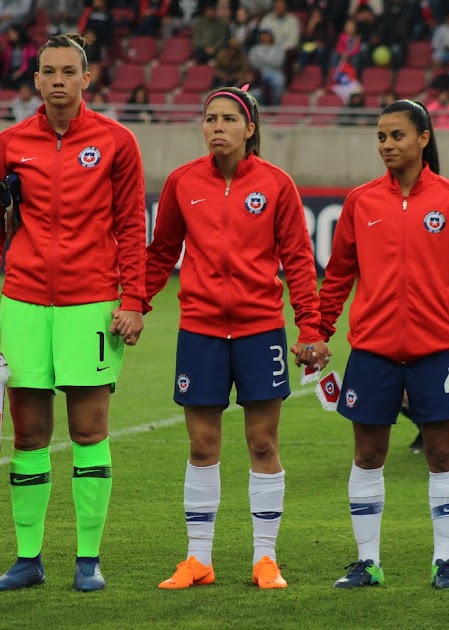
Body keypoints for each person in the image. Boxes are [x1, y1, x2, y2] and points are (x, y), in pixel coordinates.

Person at [316, 99, 449, 590]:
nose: (387, 145)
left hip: (436, 350)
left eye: (396, 136)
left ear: (423, 139)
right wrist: (318, 331)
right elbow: (337, 275)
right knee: (368, 456)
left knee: (443, 456)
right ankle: (368, 561)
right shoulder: (361, 201)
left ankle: (445, 561)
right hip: (373, 351)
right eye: (381, 137)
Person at [144, 86, 324, 590]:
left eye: (228, 118)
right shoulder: (183, 183)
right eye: (209, 119)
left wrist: (309, 326)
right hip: (199, 330)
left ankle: (265, 558)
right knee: (202, 445)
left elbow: (298, 260)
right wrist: (135, 302)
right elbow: (161, 254)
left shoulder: (277, 184)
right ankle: (198, 559)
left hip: (259, 329)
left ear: (250, 129)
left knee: (262, 443)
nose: (217, 126)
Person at [0, 33, 147, 592]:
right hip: (24, 302)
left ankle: (88, 559)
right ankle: (28, 558)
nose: (58, 80)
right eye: (48, 72)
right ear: (35, 80)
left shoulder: (116, 141)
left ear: (87, 79)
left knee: (89, 430)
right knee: (29, 433)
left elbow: (133, 225)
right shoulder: (11, 142)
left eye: (69, 71)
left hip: (91, 301)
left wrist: (132, 300)